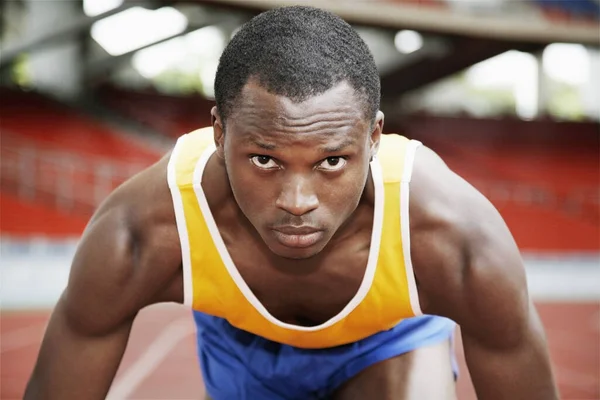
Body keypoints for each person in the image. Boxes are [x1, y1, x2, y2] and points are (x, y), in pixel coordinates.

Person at [25, 6, 558, 400]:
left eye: (331, 162)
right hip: (241, 350)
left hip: (388, 347)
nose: (297, 202)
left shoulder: (453, 239)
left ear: (374, 138)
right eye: (264, 159)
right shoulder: (144, 231)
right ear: (217, 132)